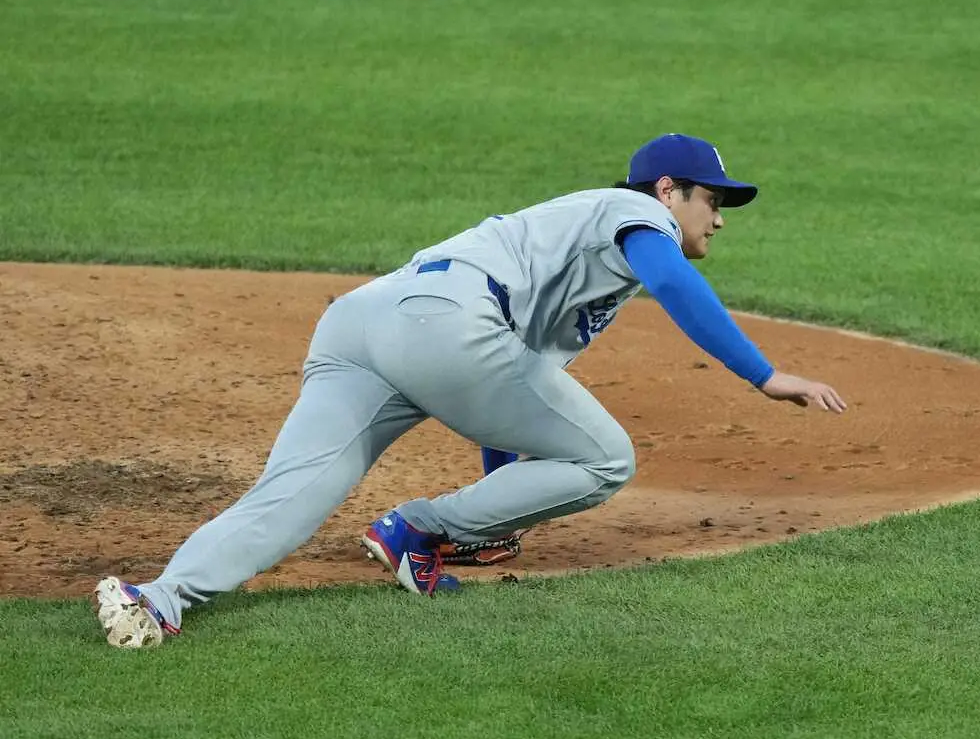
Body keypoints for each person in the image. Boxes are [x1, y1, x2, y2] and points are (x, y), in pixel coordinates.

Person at [93, 133, 848, 649]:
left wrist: (496, 511)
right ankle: (414, 528)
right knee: (608, 460)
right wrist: (765, 374)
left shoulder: (573, 257)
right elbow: (675, 280)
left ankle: (157, 600)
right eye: (710, 198)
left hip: (366, 322)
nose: (718, 215)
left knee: (289, 496)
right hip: (446, 325)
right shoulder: (633, 213)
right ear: (667, 190)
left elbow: (513, 386)